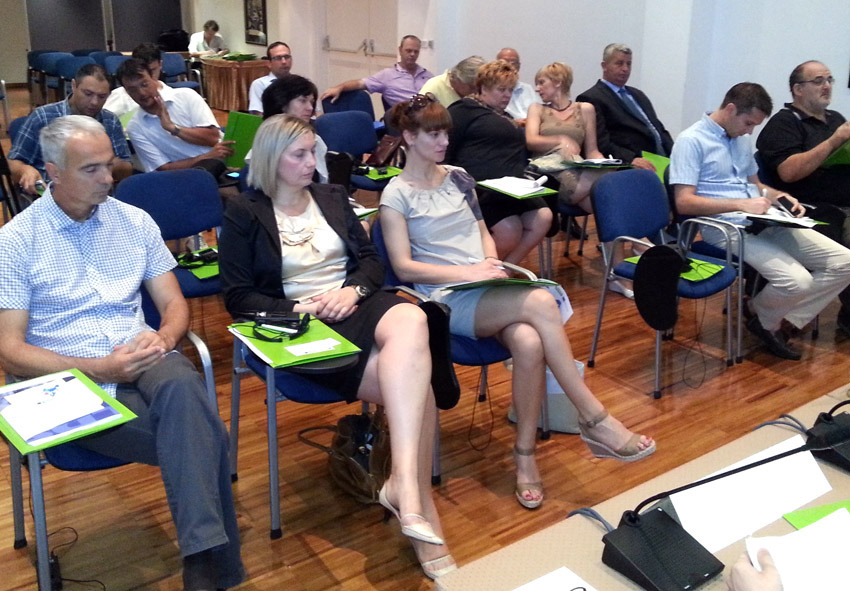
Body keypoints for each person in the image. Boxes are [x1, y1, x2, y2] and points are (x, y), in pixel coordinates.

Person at [0, 115, 244, 590]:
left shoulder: (134, 221)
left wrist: (166, 337)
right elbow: (9, 352)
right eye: (91, 169)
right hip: (67, 378)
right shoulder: (16, 241)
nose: (108, 178)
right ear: (53, 172)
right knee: (207, 437)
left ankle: (202, 562)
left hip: (143, 352)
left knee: (180, 380)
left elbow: (173, 304)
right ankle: (211, 568)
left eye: (109, 165)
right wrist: (100, 368)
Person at [380, 95, 656, 512]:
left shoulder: (458, 177)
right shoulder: (395, 195)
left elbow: (481, 231)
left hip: (482, 283)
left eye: (445, 133)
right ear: (409, 137)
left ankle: (525, 456)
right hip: (444, 297)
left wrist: (492, 262)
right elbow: (403, 267)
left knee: (528, 342)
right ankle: (594, 417)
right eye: (434, 134)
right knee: (541, 302)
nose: (444, 142)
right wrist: (469, 273)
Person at [217, 114, 458, 580]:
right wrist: (299, 307)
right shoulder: (244, 212)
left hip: (353, 305)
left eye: (314, 152)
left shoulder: (330, 196)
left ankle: (404, 487)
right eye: (299, 154)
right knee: (420, 390)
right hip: (301, 323)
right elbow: (238, 297)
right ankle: (417, 504)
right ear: (272, 158)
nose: (312, 162)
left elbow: (370, 263)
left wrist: (353, 291)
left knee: (412, 316)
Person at [670, 82, 850, 360]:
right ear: (731, 109)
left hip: (762, 218)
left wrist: (780, 197)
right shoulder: (691, 140)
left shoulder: (740, 139)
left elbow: (756, 186)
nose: (750, 131)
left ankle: (766, 316)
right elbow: (684, 202)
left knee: (844, 262)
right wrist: (740, 204)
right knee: (797, 281)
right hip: (723, 227)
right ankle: (768, 321)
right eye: (749, 123)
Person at [525, 62, 633, 299]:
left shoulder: (585, 109)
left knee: (606, 206)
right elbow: (531, 141)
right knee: (614, 190)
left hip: (579, 171)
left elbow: (592, 150)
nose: (537, 88)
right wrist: (560, 139)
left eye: (541, 82)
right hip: (550, 174)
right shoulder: (537, 109)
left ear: (558, 82)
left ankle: (618, 274)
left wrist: (602, 163)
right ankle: (641, 244)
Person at [757, 60, 850, 331]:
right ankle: (781, 318)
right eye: (818, 81)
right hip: (811, 208)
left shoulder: (835, 119)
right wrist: (834, 141)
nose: (826, 86)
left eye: (829, 80)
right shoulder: (784, 123)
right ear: (798, 89)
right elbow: (788, 173)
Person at [445, 60, 553, 266]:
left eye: (510, 90)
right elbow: (446, 149)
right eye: (501, 89)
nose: (507, 95)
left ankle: (505, 271)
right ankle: (478, 271)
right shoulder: (463, 110)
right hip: (480, 188)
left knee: (543, 217)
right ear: (483, 88)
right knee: (510, 229)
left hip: (512, 187)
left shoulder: (505, 116)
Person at [9, 64, 132, 194]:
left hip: (99, 195)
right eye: (88, 94)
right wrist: (25, 170)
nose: (94, 102)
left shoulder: (110, 121)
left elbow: (126, 168)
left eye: (102, 96)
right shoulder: (43, 117)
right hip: (51, 193)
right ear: (73, 86)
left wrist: (104, 162)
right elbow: (13, 162)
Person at [116, 58, 234, 172]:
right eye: (132, 90)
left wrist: (173, 128)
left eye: (144, 84)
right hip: (189, 175)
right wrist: (206, 157)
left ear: (153, 78)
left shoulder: (186, 96)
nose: (141, 93)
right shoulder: (135, 127)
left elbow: (213, 138)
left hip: (227, 159)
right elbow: (164, 168)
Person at [576, 43, 673, 171]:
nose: (625, 69)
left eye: (629, 64)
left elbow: (658, 129)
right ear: (604, 66)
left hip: (663, 161)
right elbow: (600, 142)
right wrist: (629, 159)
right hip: (632, 164)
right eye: (619, 63)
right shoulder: (591, 98)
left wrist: (676, 153)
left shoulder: (638, 95)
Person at [320, 35, 433, 108]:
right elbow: (360, 83)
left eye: (416, 52)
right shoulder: (387, 75)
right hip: (406, 122)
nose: (412, 54)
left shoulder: (428, 76)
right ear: (400, 50)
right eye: (408, 51)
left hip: (430, 119)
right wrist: (340, 88)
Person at [259, 74, 329, 182]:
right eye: (302, 101)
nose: (310, 108)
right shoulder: (268, 142)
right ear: (282, 103)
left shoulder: (314, 139)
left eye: (311, 102)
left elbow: (323, 183)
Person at [103, 42, 165, 118]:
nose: (150, 77)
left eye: (152, 70)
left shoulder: (174, 94)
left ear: (160, 64)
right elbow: (103, 119)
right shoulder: (121, 95)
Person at [496, 47, 541, 122]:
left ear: (519, 67)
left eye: (513, 63)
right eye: (505, 62)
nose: (509, 66)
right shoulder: (493, 90)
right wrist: (515, 123)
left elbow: (540, 111)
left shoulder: (527, 88)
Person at [248, 42, 294, 115]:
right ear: (269, 63)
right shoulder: (260, 84)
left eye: (287, 57)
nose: (284, 61)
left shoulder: (299, 83)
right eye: (278, 58)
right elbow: (258, 113)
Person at [419, 55, 484, 107]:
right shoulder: (433, 88)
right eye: (472, 87)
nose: (476, 93)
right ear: (458, 79)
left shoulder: (479, 93)